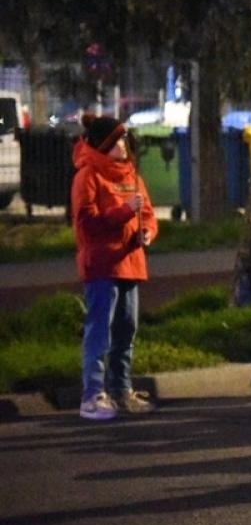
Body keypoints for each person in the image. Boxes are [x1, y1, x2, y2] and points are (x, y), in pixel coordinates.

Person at [73, 116, 159, 420]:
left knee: (126, 330)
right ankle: (92, 396)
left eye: (124, 139)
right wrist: (125, 212)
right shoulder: (88, 176)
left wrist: (147, 231)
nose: (124, 145)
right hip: (102, 266)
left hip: (130, 263)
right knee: (100, 332)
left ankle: (121, 391)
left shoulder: (131, 175)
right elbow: (87, 223)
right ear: (104, 145)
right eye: (117, 140)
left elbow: (148, 214)